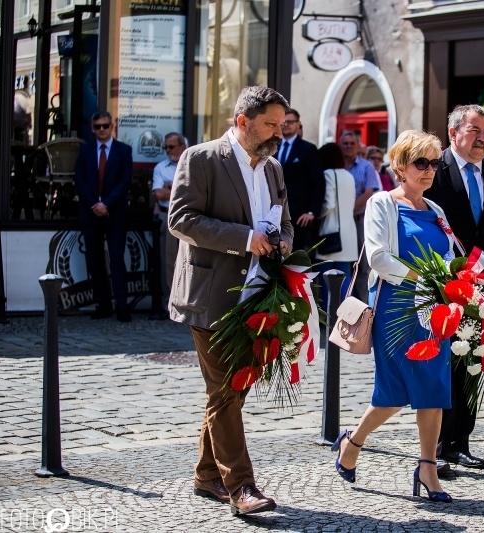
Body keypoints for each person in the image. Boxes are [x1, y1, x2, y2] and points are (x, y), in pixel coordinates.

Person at [168, 86, 293, 516]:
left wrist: (282, 243)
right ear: (243, 122)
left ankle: (207, 475)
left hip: (260, 296)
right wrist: (244, 239)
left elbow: (286, 221)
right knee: (226, 390)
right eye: (271, 124)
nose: (280, 131)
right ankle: (242, 487)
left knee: (231, 393)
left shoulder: (274, 168)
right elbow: (181, 219)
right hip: (211, 295)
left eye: (283, 124)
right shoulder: (201, 159)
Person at [332, 130, 455, 503]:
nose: (430, 170)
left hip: (434, 308)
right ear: (400, 167)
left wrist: (451, 280)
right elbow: (379, 258)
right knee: (393, 392)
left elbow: (451, 254)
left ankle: (427, 467)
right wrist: (426, 276)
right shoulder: (383, 203)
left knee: (434, 384)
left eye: (434, 163)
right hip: (396, 308)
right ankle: (352, 443)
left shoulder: (436, 210)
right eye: (421, 162)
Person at [425, 104, 484, 470]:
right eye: (474, 130)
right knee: (444, 364)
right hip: (443, 283)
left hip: (482, 283)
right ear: (453, 133)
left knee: (472, 359)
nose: (481, 138)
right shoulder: (435, 169)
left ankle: (459, 442)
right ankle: (433, 445)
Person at [74, 111, 133, 322]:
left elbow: (125, 181)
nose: (101, 130)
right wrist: (95, 205)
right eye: (97, 126)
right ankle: (103, 304)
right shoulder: (85, 151)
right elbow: (79, 180)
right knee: (95, 260)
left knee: (117, 260)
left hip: (114, 213)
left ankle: (122, 307)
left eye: (105, 126)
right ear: (92, 128)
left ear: (112, 126)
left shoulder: (124, 151)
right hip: (91, 214)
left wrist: (106, 204)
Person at [275, 108, 325, 252]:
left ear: (298, 124)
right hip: (273, 211)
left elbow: (318, 183)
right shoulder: (272, 147)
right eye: (283, 122)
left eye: (290, 122)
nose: (286, 125)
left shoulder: (308, 149)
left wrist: (311, 212)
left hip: (298, 214)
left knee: (294, 255)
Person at [315, 142, 357, 308]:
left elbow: (329, 204)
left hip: (330, 233)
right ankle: (347, 320)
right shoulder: (348, 175)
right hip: (349, 234)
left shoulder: (328, 174)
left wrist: (316, 214)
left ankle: (329, 321)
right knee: (345, 280)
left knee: (327, 282)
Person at [339, 131, 381, 299]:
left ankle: (361, 306)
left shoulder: (366, 166)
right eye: (345, 143)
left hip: (358, 221)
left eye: (351, 143)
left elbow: (369, 192)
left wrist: (347, 211)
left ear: (358, 146)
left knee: (362, 266)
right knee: (343, 265)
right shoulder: (337, 166)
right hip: (339, 223)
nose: (348, 146)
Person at [152, 132, 187, 299]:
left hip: (190, 216)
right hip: (169, 216)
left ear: (182, 146)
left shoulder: (192, 163)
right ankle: (171, 300)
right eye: (165, 147)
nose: (167, 150)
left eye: (171, 146)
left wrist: (172, 187)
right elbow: (159, 194)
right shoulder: (160, 168)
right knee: (169, 259)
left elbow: (197, 192)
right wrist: (182, 189)